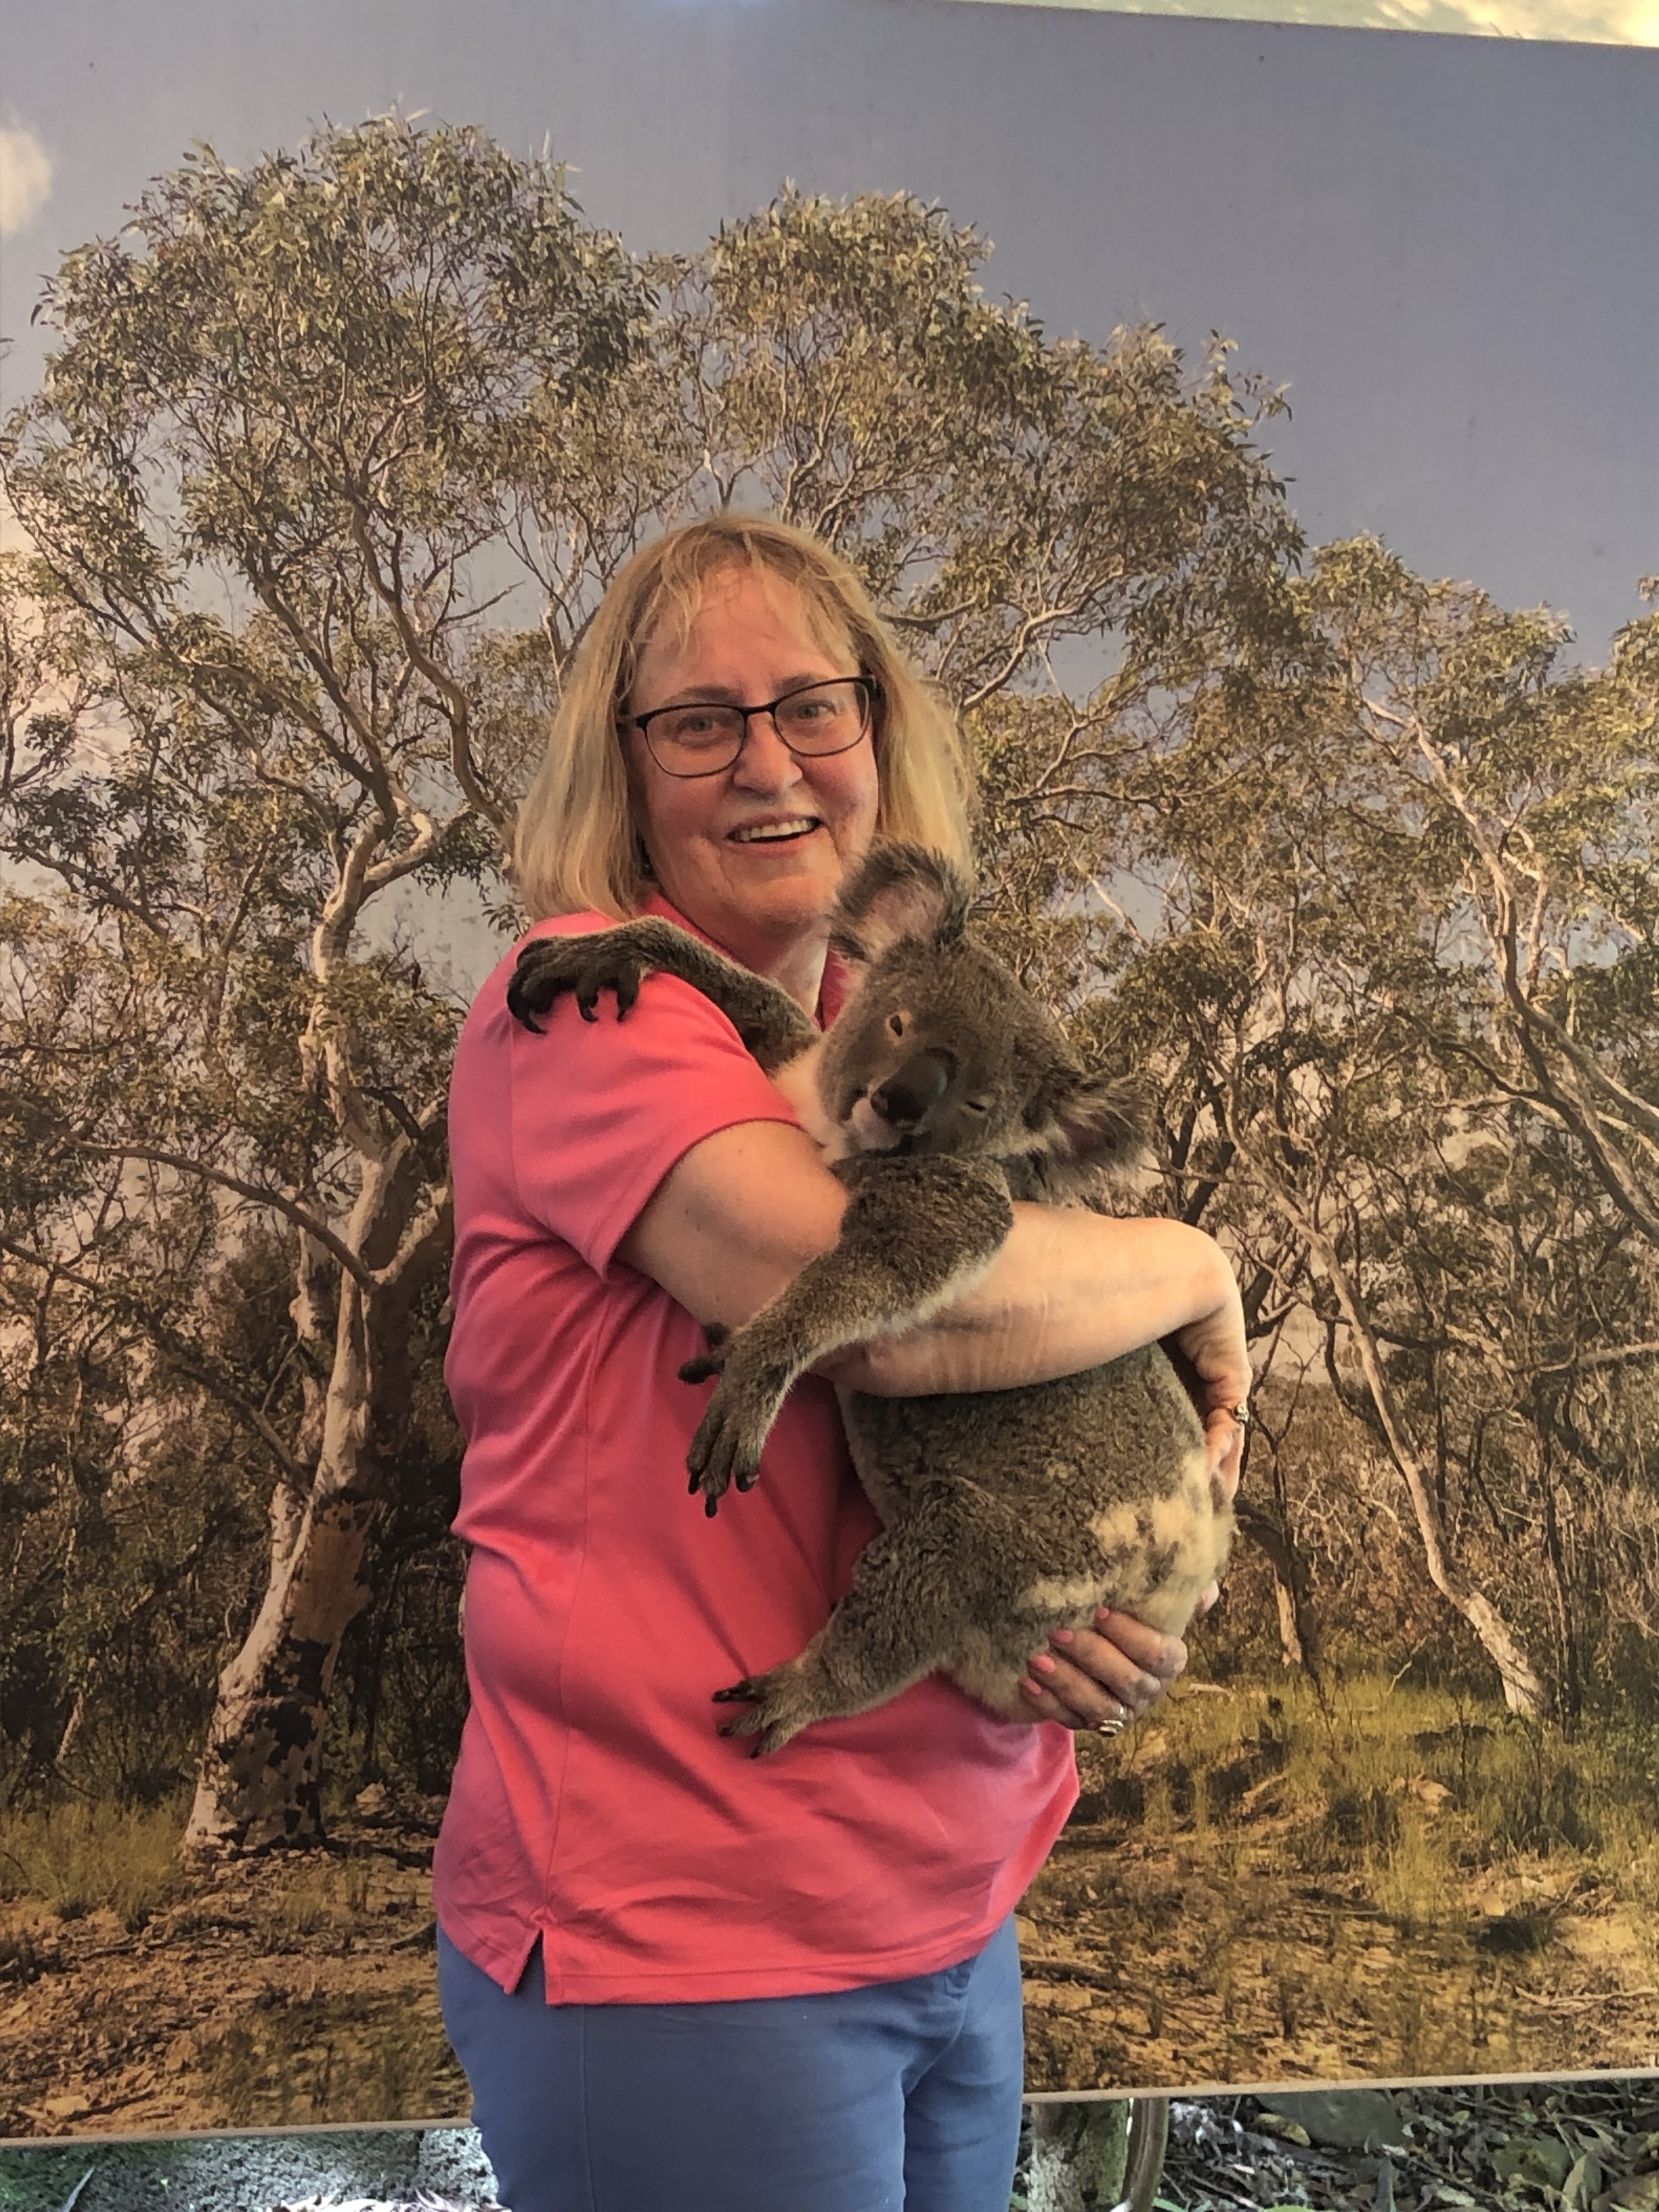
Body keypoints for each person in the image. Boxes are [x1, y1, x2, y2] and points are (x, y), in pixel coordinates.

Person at [434, 514, 1249, 2212]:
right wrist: (1191, 1265)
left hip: (953, 1897)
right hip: (694, 1932)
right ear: (623, 764)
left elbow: (1029, 1371)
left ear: (877, 732)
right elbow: (898, 1314)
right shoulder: (583, 1007)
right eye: (700, 721)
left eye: (814, 706)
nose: (769, 763)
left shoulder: (865, 1034)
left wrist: (1093, 1622)